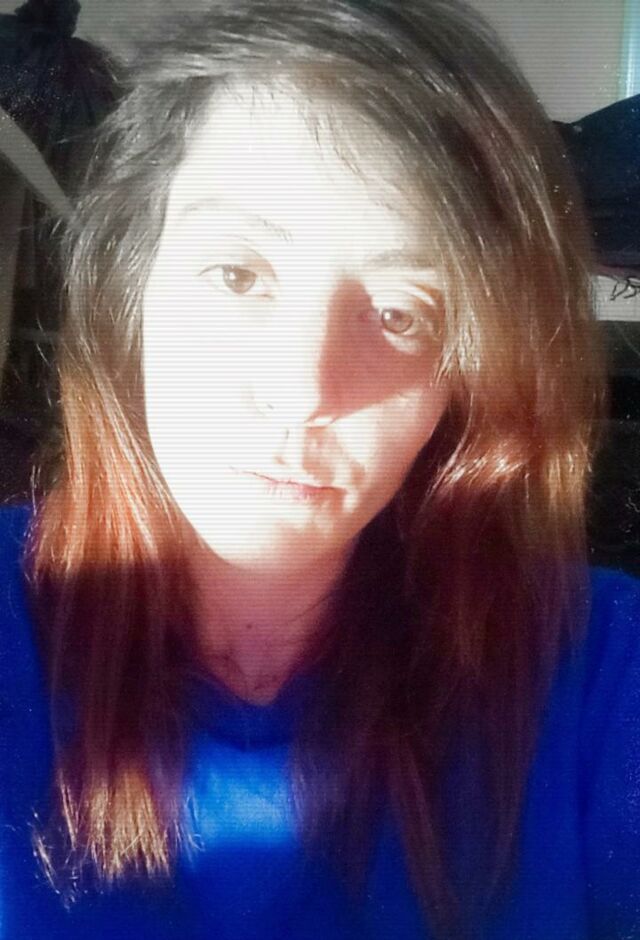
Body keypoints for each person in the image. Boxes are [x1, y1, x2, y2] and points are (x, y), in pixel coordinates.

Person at [1, 1, 639, 937]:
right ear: (128, 292)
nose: (302, 391)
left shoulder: (601, 673)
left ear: (465, 377)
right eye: (237, 275)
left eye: (401, 312)